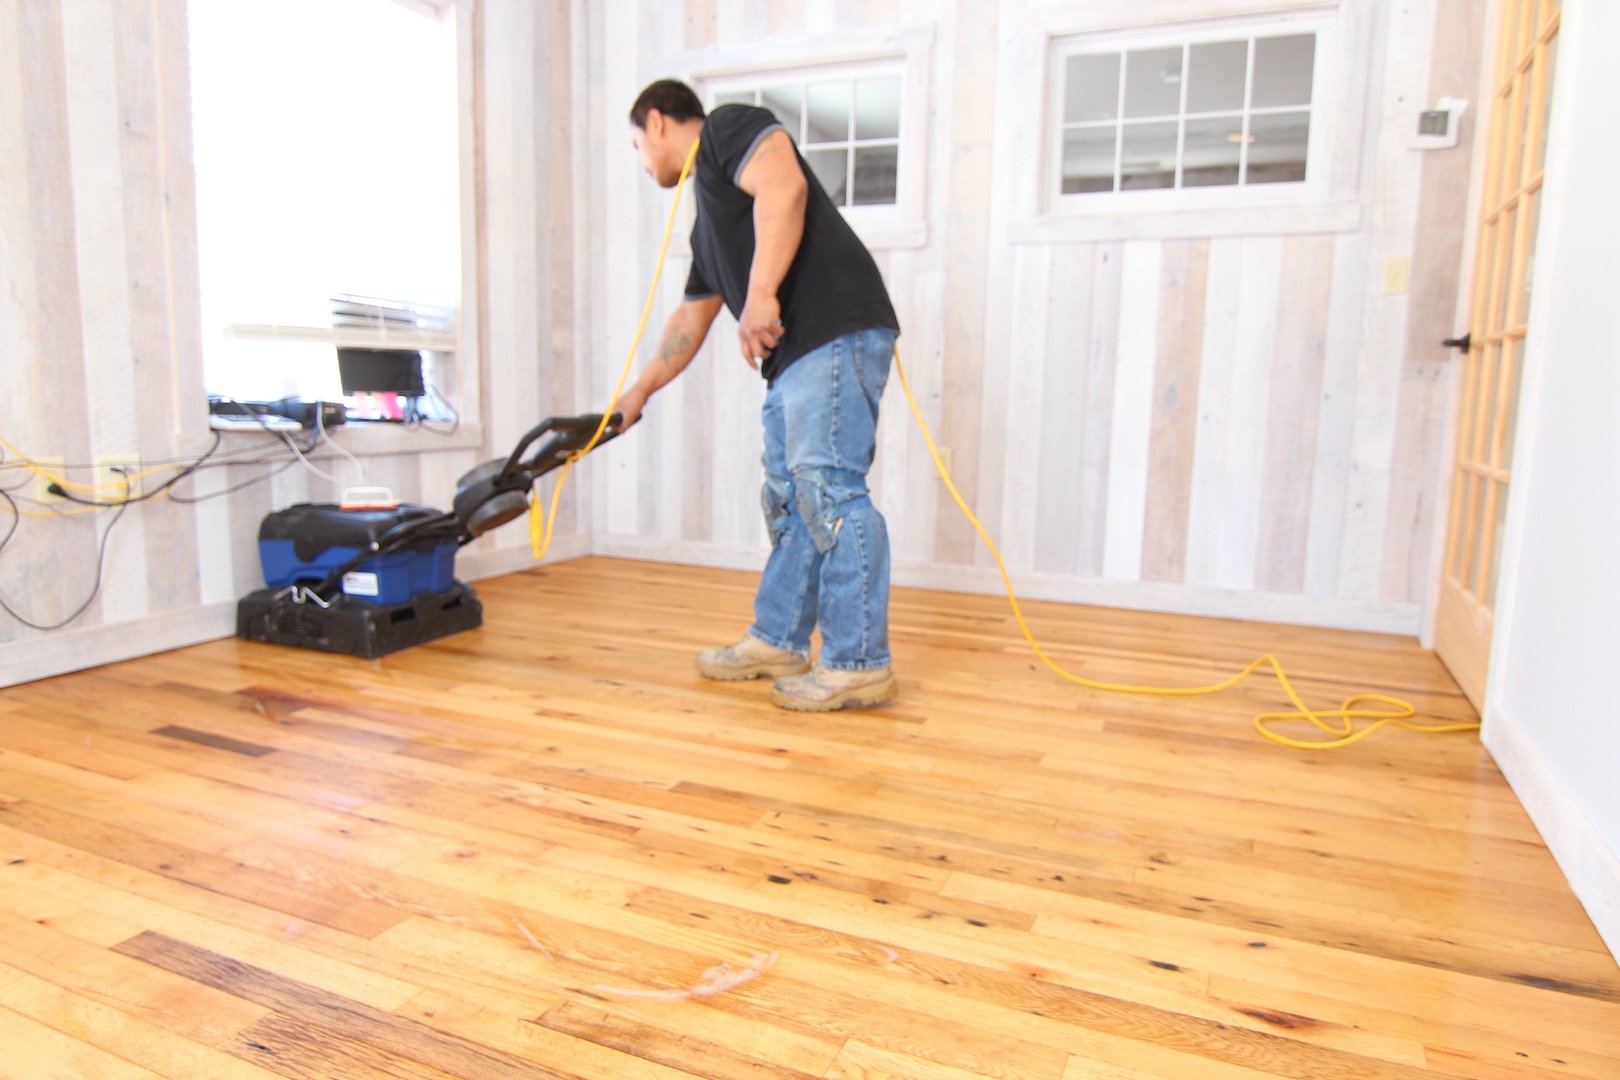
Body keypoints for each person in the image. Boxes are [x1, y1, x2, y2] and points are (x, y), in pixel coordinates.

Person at [616, 78, 902, 712]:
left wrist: (764, 293)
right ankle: (779, 638)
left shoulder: (726, 129)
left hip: (834, 329)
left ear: (658, 122)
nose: (642, 161)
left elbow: (785, 185)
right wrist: (639, 392)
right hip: (797, 355)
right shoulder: (708, 230)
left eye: (637, 145)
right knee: (789, 498)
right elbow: (691, 318)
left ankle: (858, 662)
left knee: (828, 489)